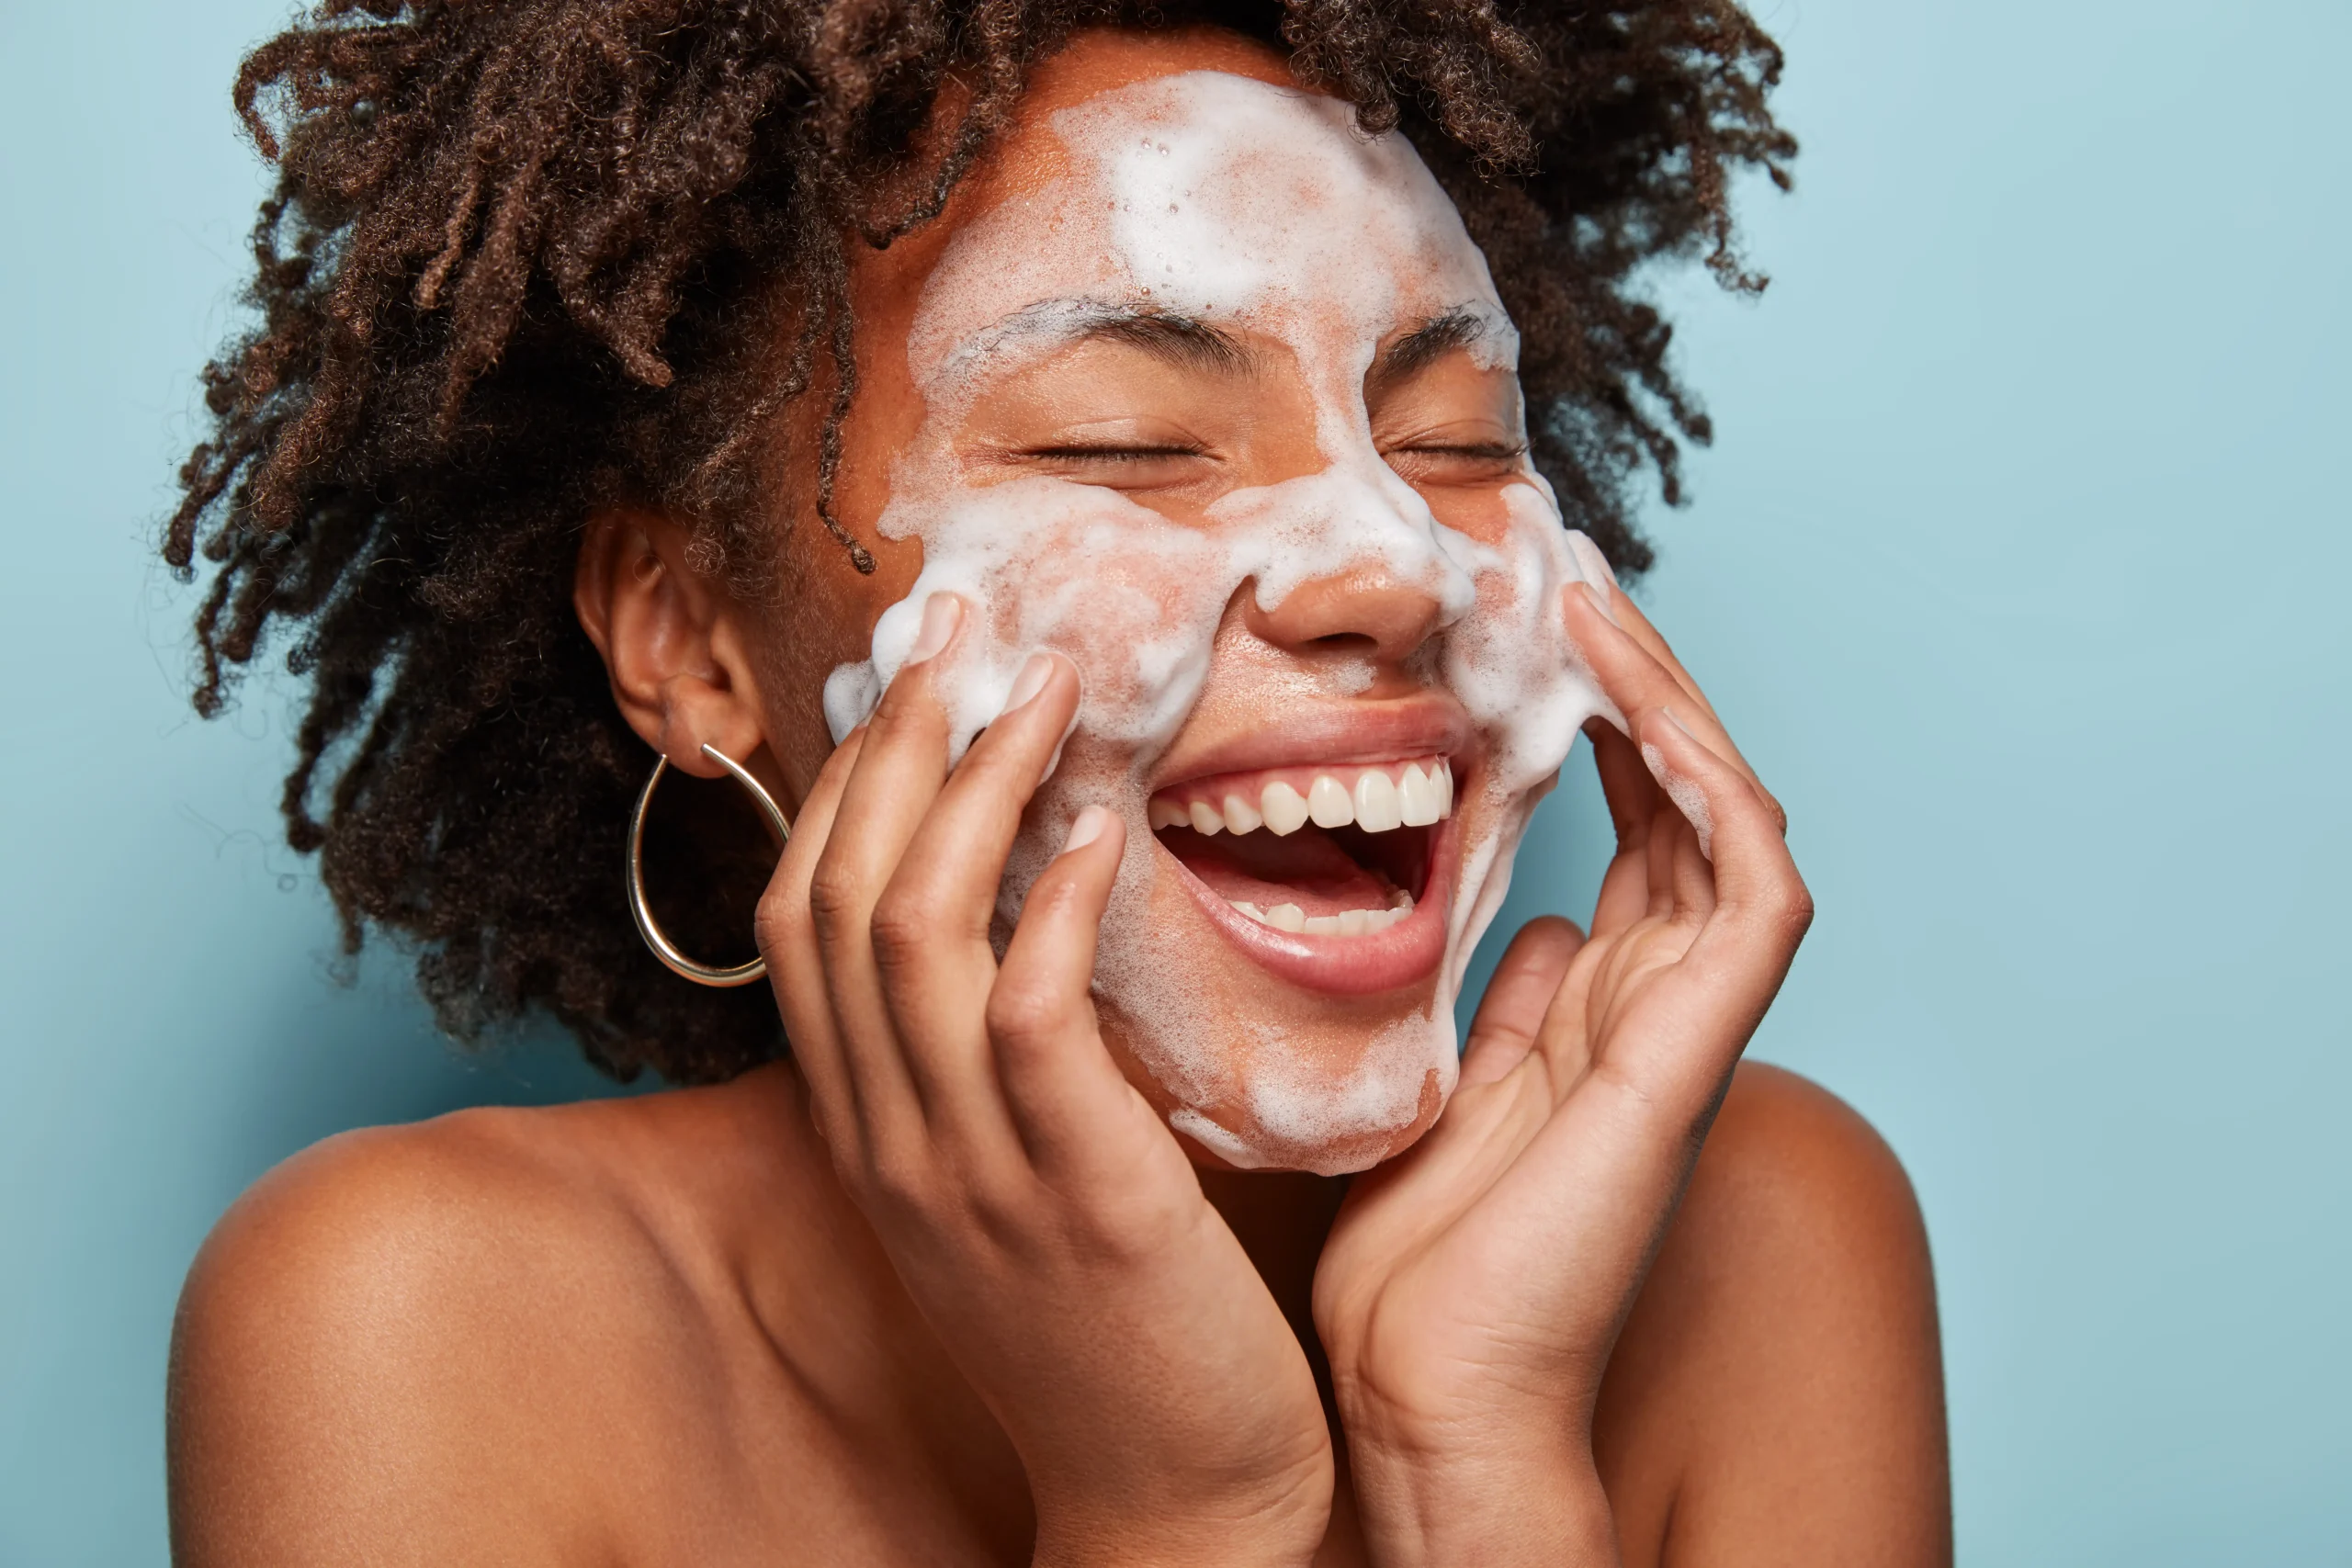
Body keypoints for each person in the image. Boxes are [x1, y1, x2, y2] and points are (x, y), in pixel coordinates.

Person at [163, 2, 1949, 1562]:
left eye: (1453, 440)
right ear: (689, 639)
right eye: (1126, 442)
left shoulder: (1759, 1246)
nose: (1386, 562)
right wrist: (1180, 1519)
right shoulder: (413, 1329)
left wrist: (1474, 1468)